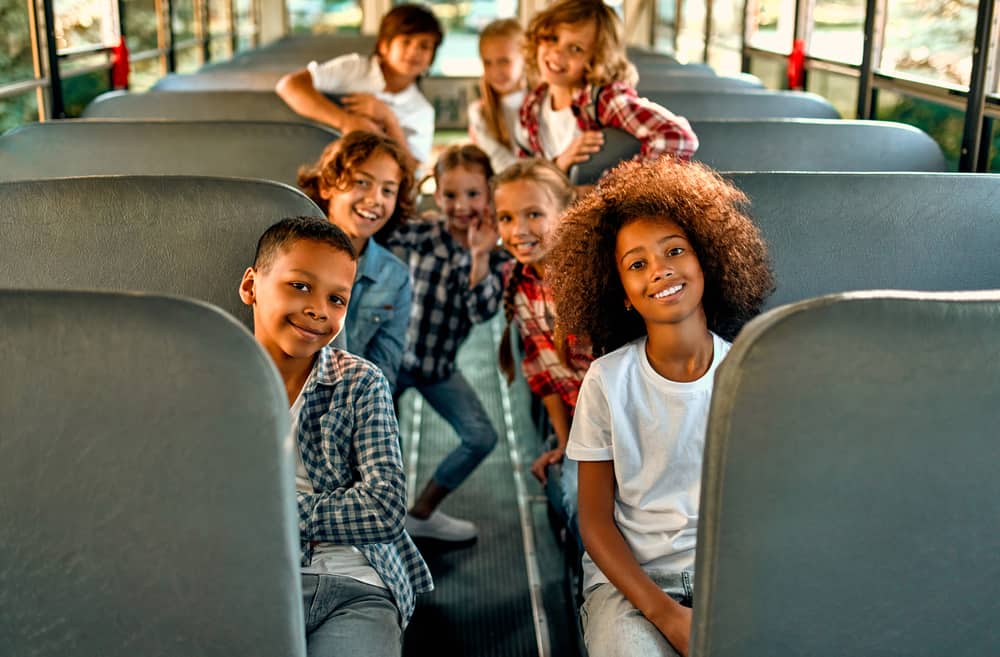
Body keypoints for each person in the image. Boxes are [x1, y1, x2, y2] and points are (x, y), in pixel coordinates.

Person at [546, 158, 774, 657]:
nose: (660, 271)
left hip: (732, 580)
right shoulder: (607, 382)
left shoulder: (754, 371)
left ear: (706, 261)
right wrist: (666, 615)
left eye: (674, 250)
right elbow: (596, 521)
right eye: (637, 264)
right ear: (622, 294)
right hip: (630, 585)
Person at [238, 216, 433, 657]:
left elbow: (383, 508)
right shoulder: (215, 379)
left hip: (355, 585)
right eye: (300, 286)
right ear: (251, 286)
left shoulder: (360, 383)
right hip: (246, 580)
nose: (319, 310)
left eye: (337, 299)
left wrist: (268, 515)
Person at [385, 144, 505, 543]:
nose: (461, 205)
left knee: (480, 437)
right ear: (436, 196)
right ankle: (379, 512)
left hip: (438, 368)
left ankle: (421, 513)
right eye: (450, 195)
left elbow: (482, 312)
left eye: (472, 194)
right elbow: (383, 227)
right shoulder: (426, 232)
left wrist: (479, 257)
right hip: (396, 359)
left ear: (489, 193)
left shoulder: (494, 252)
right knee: (380, 439)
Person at [493, 158, 592, 532]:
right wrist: (567, 445)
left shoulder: (589, 280)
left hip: (626, 427)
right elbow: (547, 374)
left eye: (533, 214)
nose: (518, 230)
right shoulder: (520, 283)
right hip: (583, 432)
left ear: (565, 213)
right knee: (579, 504)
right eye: (506, 218)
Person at [518, 0, 698, 174]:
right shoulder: (532, 105)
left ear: (596, 58)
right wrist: (558, 165)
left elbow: (677, 136)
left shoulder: (604, 99)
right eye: (552, 38)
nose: (558, 52)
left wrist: (614, 191)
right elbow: (526, 172)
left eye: (575, 48)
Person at [298, 131, 414, 390]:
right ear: (327, 186)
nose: (375, 200)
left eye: (388, 190)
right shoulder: (292, 255)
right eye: (362, 182)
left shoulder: (394, 277)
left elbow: (383, 372)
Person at [276, 4, 443, 173]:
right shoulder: (354, 69)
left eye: (424, 46)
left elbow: (410, 171)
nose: (414, 51)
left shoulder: (422, 110)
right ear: (384, 46)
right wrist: (346, 121)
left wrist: (388, 119)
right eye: (406, 42)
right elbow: (290, 86)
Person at [468, 18, 527, 172]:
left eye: (504, 61)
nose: (495, 72)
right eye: (488, 63)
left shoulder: (543, 103)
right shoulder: (480, 113)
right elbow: (502, 166)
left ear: (525, 58)